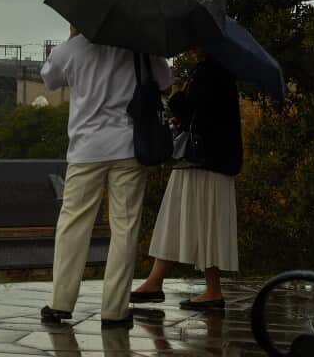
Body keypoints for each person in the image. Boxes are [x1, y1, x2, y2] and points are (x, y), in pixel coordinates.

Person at [39, 24, 173, 329]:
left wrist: (72, 38)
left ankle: (60, 303)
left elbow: (49, 78)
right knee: (124, 227)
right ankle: (115, 309)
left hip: (86, 149)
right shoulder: (141, 47)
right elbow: (166, 82)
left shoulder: (73, 49)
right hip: (128, 146)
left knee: (73, 224)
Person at [132, 51, 242, 311]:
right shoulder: (220, 70)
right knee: (192, 221)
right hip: (210, 161)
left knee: (194, 221)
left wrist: (175, 96)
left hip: (204, 161)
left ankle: (207, 289)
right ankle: (158, 281)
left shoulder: (209, 72)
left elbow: (193, 107)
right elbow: (206, 114)